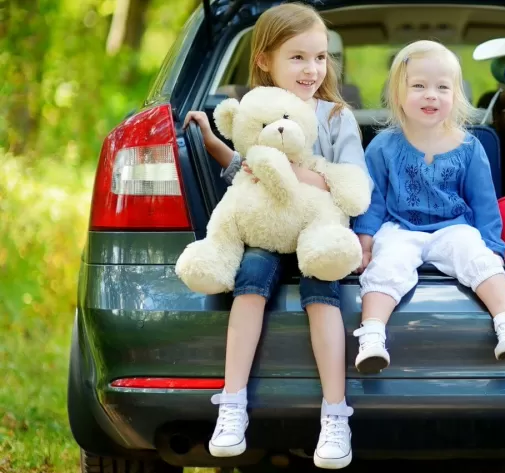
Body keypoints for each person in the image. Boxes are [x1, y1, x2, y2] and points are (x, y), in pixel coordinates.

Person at [182, 3, 369, 469]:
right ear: (264, 59)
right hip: (264, 234)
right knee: (250, 281)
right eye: (298, 57)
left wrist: (296, 175)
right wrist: (210, 139)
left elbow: (353, 183)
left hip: (317, 233)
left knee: (321, 291)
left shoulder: (334, 117)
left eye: (321, 58)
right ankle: (231, 405)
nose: (312, 69)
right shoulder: (254, 112)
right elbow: (244, 173)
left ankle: (334, 415)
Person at [350, 40, 505, 374]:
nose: (431, 94)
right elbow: (372, 200)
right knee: (386, 265)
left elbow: (484, 205)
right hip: (400, 227)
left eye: (442, 87)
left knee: (477, 257)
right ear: (397, 94)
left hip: (453, 226)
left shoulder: (469, 147)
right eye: (418, 86)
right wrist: (364, 240)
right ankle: (373, 335)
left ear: (455, 96)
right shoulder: (383, 146)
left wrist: (493, 247)